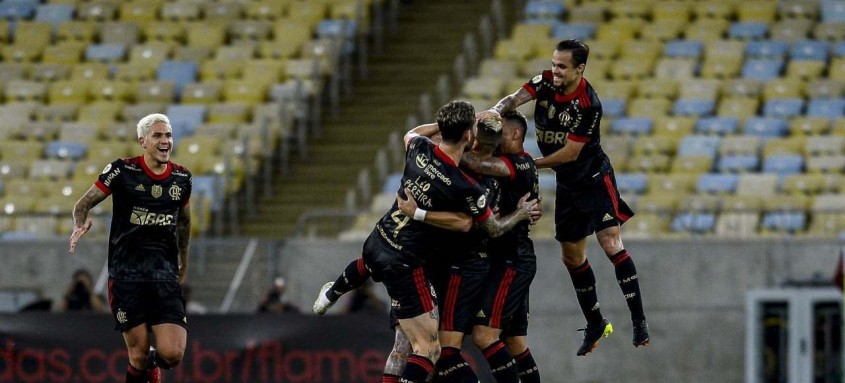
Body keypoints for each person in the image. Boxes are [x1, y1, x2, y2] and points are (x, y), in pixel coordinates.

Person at [315, 100, 538, 383]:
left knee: (431, 347)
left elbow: (412, 133)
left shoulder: (422, 149)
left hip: (397, 243)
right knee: (428, 349)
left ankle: (333, 291)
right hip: (415, 259)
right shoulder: (466, 184)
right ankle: (333, 293)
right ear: (468, 135)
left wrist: (416, 210)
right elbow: (471, 223)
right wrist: (520, 213)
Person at [478, 39, 649, 356]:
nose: (554, 70)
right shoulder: (545, 81)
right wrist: (496, 110)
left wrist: (529, 164)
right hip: (568, 185)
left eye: (561, 66)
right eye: (553, 63)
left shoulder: (587, 104)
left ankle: (639, 321)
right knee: (571, 257)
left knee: (611, 243)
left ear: (579, 69)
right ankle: (596, 321)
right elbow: (516, 98)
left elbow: (570, 153)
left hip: (594, 178)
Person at [69, 113, 192, 383]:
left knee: (172, 354)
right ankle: (145, 364)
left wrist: (184, 262)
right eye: (158, 135)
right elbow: (83, 204)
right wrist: (79, 225)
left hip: (163, 277)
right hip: (127, 277)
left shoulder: (182, 178)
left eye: (168, 135)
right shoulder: (122, 171)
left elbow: (184, 223)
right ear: (143, 141)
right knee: (136, 356)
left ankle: (153, 362)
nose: (165, 141)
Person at [461, 111, 542, 382]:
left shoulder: (517, 163)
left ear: (516, 134)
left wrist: (447, 150)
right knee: (515, 342)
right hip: (514, 257)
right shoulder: (518, 161)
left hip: (511, 260)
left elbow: (477, 164)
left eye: (500, 133)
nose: (494, 139)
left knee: (484, 335)